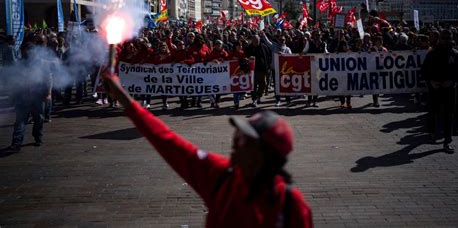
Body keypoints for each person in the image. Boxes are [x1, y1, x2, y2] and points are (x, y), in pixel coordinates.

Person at [101, 72, 314, 227]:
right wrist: (125, 99)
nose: (234, 142)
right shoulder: (220, 177)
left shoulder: (292, 207)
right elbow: (168, 143)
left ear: (265, 155)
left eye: (244, 140)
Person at [421, 30, 458, 154]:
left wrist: (452, 81)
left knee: (449, 115)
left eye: (448, 38)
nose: (446, 40)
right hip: (435, 88)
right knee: (433, 112)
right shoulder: (432, 53)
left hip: (449, 88)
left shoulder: (455, 54)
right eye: (444, 38)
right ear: (439, 39)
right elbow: (424, 71)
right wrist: (431, 82)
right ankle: (431, 132)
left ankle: (447, 141)